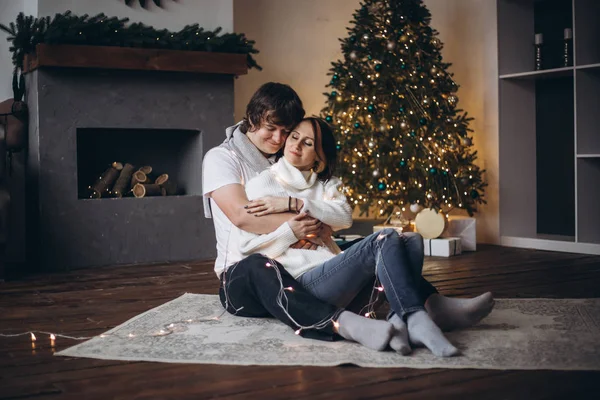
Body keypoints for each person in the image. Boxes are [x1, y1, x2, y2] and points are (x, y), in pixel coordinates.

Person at [237, 117, 495, 357]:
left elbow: (343, 217)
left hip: (335, 272)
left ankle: (401, 319)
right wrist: (290, 232)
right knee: (384, 238)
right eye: (294, 136)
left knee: (410, 240)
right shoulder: (262, 185)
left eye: (308, 143)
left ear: (319, 157)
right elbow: (247, 247)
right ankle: (417, 315)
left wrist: (294, 203)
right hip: (303, 284)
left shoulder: (327, 185)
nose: (296, 145)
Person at [203, 82, 396, 351]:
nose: (278, 139)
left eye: (286, 132)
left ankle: (426, 304)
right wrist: (310, 228)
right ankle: (339, 323)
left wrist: (316, 226)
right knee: (259, 265)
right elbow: (242, 217)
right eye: (271, 128)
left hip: (300, 268)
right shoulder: (222, 158)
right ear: (252, 119)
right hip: (243, 276)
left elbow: (326, 209)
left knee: (368, 248)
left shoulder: (287, 157)